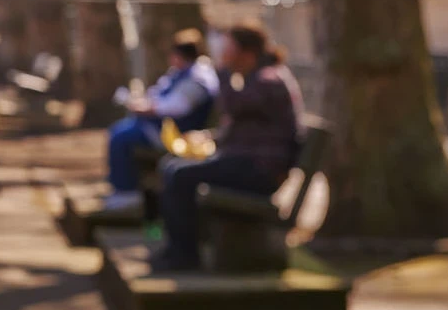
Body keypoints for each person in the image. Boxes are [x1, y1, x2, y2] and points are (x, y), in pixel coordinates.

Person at [151, 23, 305, 272]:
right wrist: (209, 137)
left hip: (260, 171)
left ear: (247, 53)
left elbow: (233, 106)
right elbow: (243, 124)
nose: (224, 54)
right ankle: (176, 249)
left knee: (180, 176)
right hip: (248, 163)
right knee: (170, 167)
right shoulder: (257, 78)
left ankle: (184, 255)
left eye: (228, 49)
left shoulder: (269, 79)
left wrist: (221, 71)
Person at [103, 29, 219, 210]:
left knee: (121, 138)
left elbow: (178, 107)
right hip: (160, 126)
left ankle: (127, 193)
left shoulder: (198, 77)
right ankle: (121, 187)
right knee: (119, 131)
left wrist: (148, 108)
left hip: (176, 134)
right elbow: (159, 94)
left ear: (178, 55)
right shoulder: (180, 72)